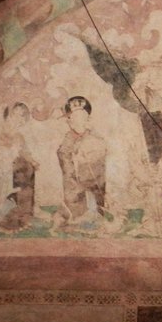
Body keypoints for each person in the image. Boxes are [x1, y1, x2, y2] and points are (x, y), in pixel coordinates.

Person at [56, 95, 107, 226]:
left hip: (91, 173)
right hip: (74, 175)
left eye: (81, 116)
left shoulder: (93, 135)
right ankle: (77, 213)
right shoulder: (68, 137)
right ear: (70, 120)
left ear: (87, 118)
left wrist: (88, 154)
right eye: (74, 116)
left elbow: (101, 149)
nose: (77, 120)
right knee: (73, 187)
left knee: (92, 184)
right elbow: (63, 153)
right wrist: (72, 155)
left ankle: (94, 211)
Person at [0, 102, 37, 233]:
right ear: (8, 116)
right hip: (7, 172)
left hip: (20, 173)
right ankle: (2, 223)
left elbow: (25, 152)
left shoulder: (19, 137)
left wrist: (32, 161)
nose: (19, 118)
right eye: (15, 115)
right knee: (8, 196)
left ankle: (21, 220)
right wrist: (10, 158)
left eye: (22, 115)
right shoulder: (4, 134)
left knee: (23, 192)